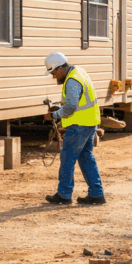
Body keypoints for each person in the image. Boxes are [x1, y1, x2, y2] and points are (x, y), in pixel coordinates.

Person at [43, 52, 106, 205]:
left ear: (59, 69)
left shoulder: (71, 80)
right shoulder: (79, 72)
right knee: (86, 158)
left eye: (53, 73)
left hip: (79, 126)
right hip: (89, 122)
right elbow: (75, 100)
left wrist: (55, 115)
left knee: (67, 159)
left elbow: (72, 106)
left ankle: (64, 195)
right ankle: (97, 194)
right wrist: (59, 104)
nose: (54, 77)